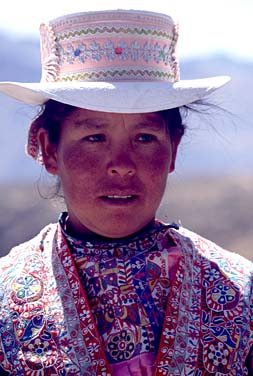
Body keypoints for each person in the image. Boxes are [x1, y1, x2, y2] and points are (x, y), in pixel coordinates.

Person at [0, 9, 252, 376]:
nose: (121, 163)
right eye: (95, 137)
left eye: (145, 138)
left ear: (174, 149)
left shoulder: (239, 297)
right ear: (49, 149)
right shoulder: (6, 301)